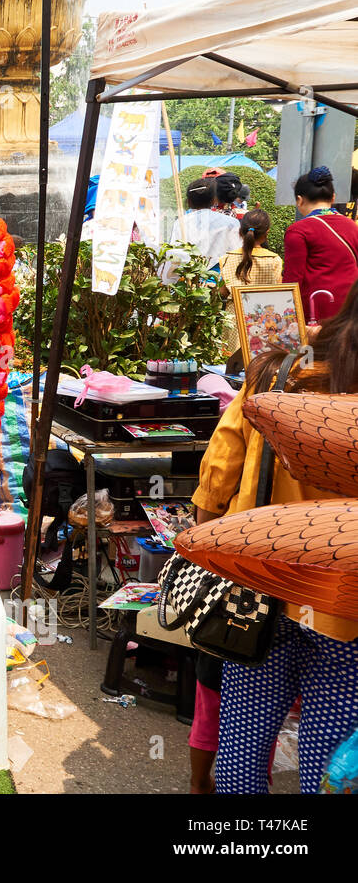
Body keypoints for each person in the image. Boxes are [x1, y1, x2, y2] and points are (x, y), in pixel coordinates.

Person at [192, 280, 358, 793]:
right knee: (329, 758)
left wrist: (204, 542)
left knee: (242, 745)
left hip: (259, 586)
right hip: (343, 604)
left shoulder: (279, 369)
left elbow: (219, 467)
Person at [283, 166, 358, 323]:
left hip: (316, 311)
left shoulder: (298, 231)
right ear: (333, 198)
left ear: (299, 200)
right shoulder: (352, 226)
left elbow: (292, 280)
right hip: (350, 310)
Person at [220, 209, 282, 363]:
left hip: (234, 320)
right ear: (266, 232)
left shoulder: (227, 258)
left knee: (232, 366)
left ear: (240, 231)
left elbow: (221, 292)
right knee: (261, 364)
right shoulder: (274, 260)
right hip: (264, 320)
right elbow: (278, 291)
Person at [170, 176, 241, 268]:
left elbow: (175, 255)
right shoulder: (232, 223)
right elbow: (237, 254)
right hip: (221, 279)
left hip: (188, 277)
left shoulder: (181, 222)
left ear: (189, 201)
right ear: (214, 200)